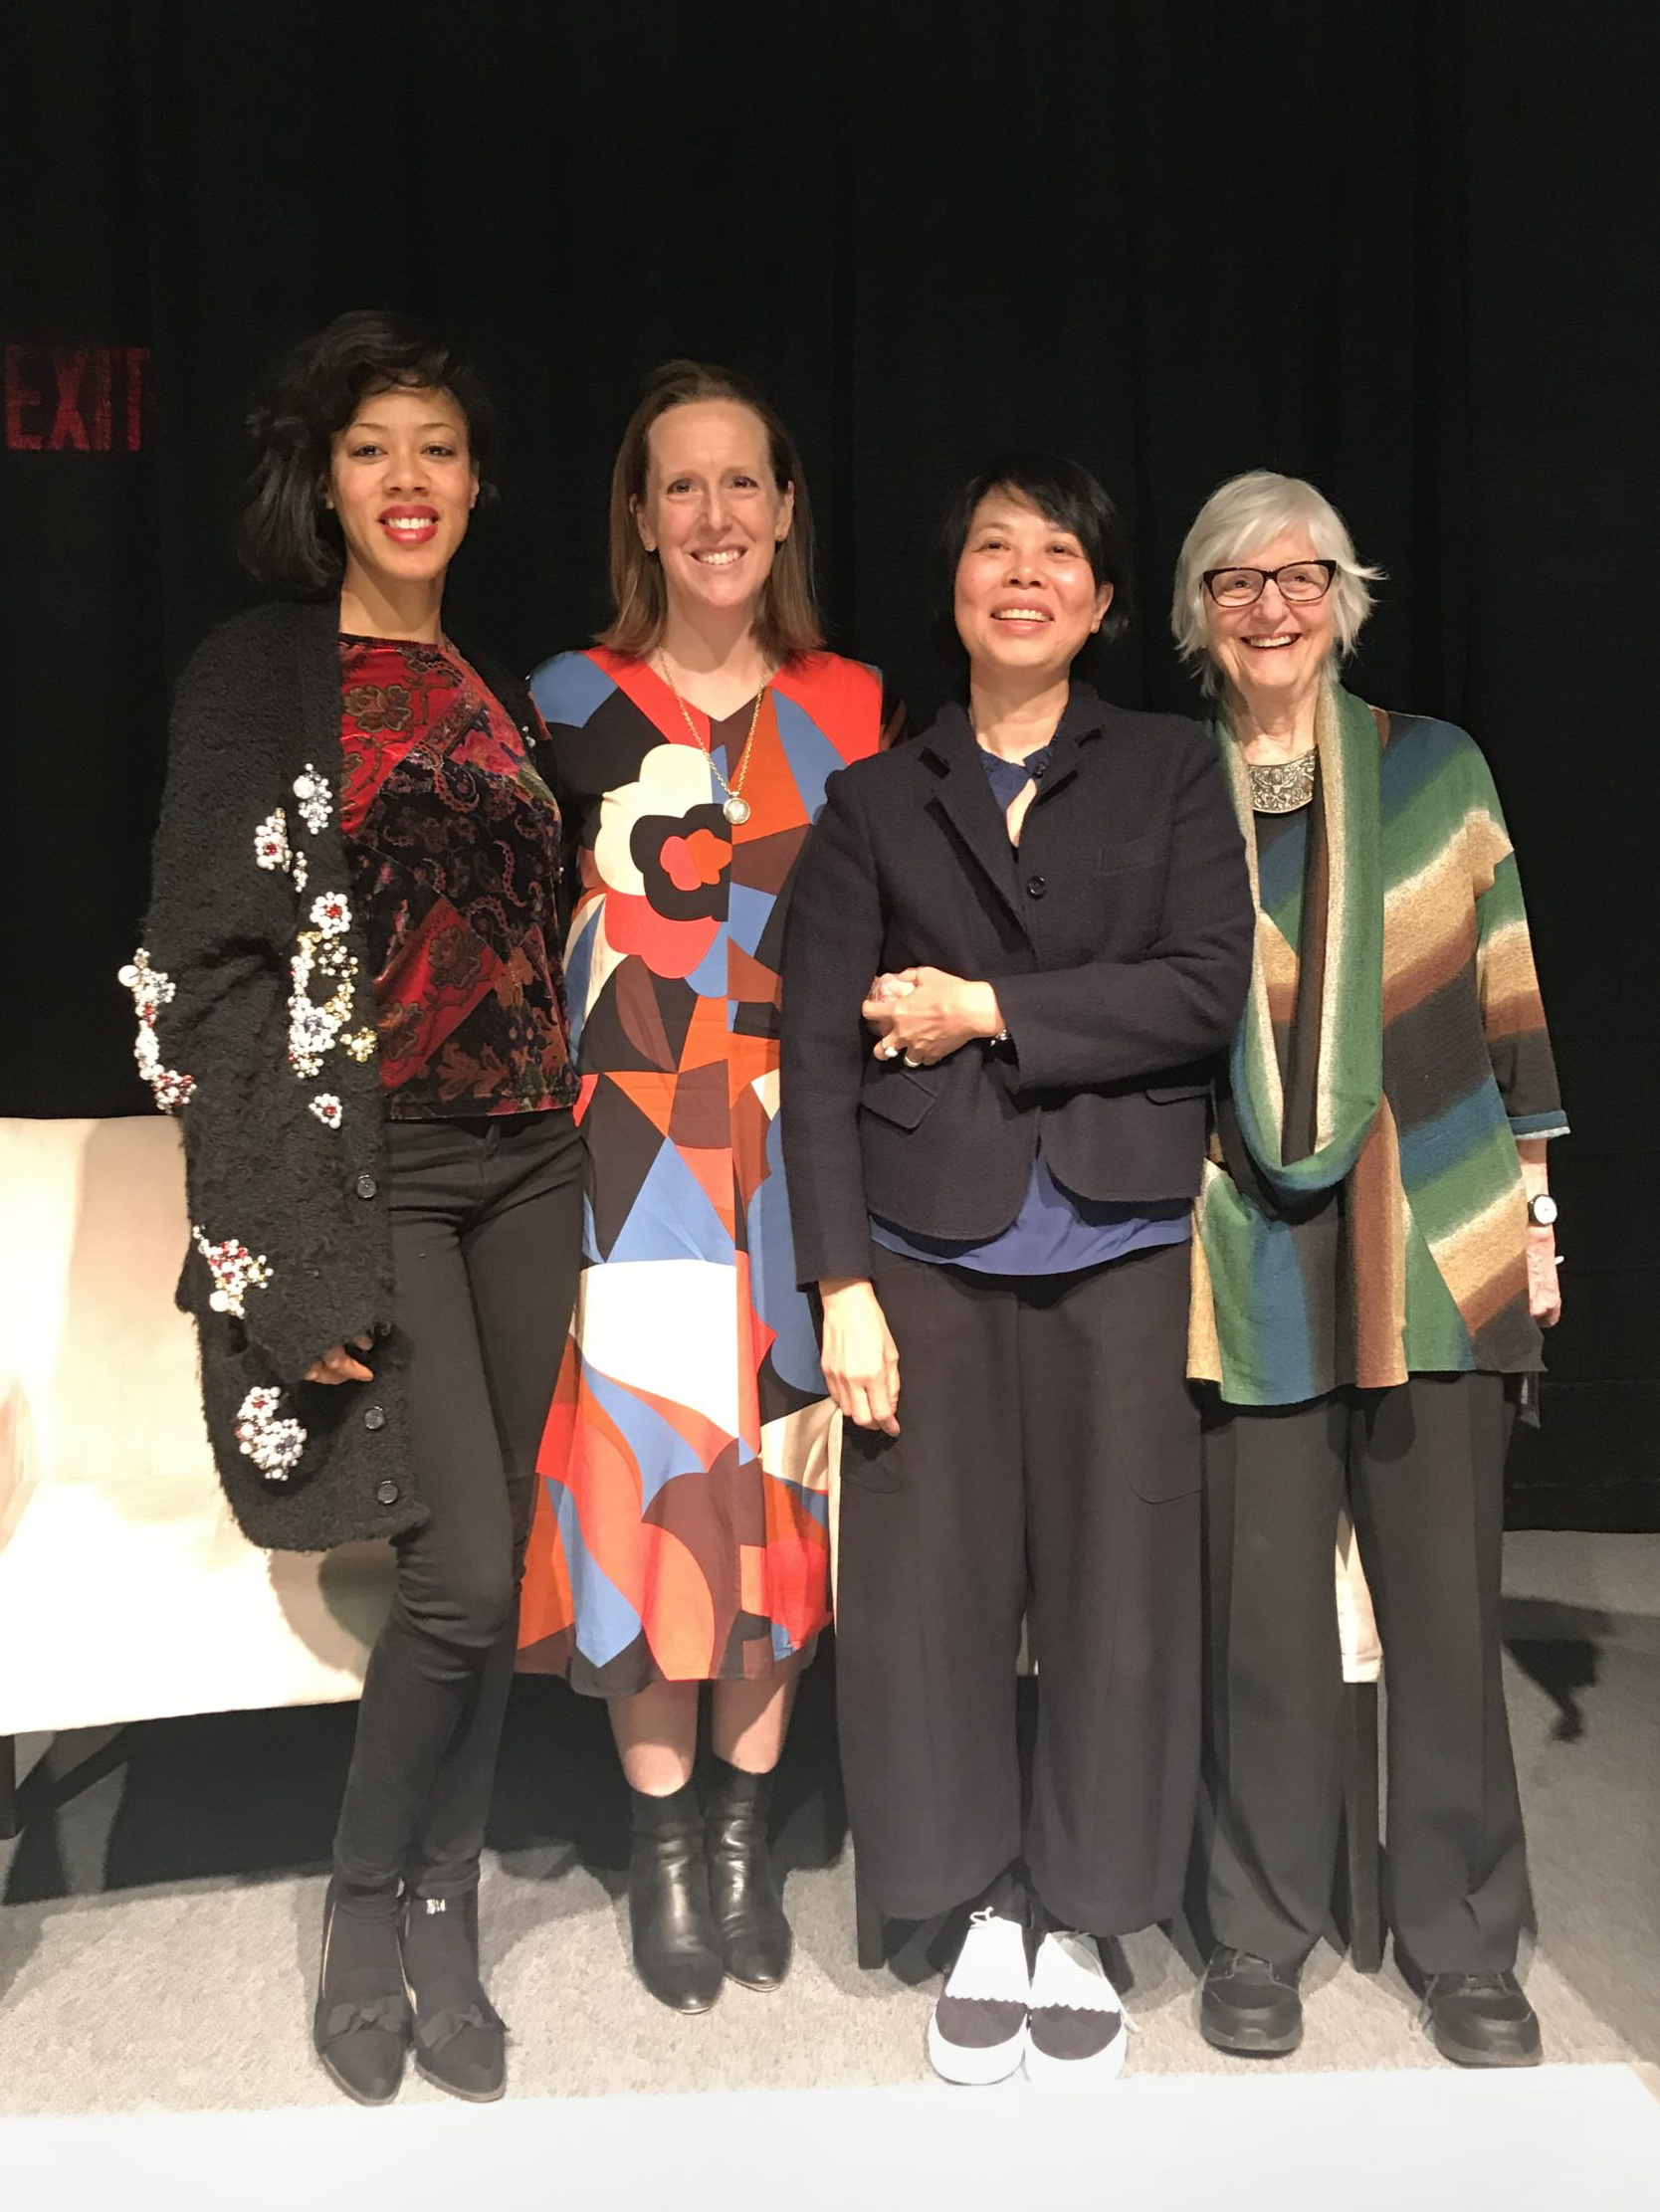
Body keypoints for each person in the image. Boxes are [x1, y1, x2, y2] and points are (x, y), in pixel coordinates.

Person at [121, 311, 583, 2105]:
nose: (412, 479)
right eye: (376, 447)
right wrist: (275, 1244)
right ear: (327, 479)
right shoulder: (260, 675)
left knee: (494, 1568)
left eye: (441, 449)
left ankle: (447, 1900)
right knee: (459, 1576)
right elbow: (202, 976)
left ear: (476, 486)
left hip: (531, 1164)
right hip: (371, 1169)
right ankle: (368, 1896)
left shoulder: (494, 692)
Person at [779, 456, 1253, 2085]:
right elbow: (817, 1069)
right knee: (928, 1597)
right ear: (957, 588)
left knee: (1122, 1589)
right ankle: (973, 1897)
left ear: (1107, 601)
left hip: (1120, 1237)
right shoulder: (872, 800)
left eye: (1061, 554)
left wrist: (987, 1011)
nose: (1026, 575)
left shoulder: (1175, 772)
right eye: (995, 548)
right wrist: (838, 1285)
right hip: (925, 1253)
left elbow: (1203, 991)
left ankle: (1086, 1905)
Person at [1173, 470, 1566, 2068]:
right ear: (1198, 616)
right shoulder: (1161, 793)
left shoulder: (1435, 769)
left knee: (1442, 1611)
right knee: (1262, 1615)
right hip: (1245, 1243)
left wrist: (1537, 1214)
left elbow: (1510, 987)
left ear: (1348, 595)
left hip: (1435, 1230)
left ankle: (1464, 1938)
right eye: (1235, 584)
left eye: (1302, 577)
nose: (1273, 610)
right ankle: (1260, 1928)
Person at [516, 361, 895, 2013]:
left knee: (784, 1494)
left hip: (804, 1154)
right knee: (651, 1497)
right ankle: (664, 1843)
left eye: (743, 482)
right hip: (634, 1164)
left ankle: (747, 1834)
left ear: (786, 506)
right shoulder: (563, 700)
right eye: (681, 486)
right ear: (641, 517)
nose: (715, 515)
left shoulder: (860, 707)